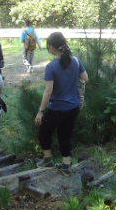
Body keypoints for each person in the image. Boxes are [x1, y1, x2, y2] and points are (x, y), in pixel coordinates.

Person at [34, 32, 89, 173]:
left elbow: (48, 91)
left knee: (43, 131)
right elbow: (85, 78)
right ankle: (66, 164)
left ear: (52, 47)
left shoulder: (51, 67)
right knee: (65, 135)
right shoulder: (76, 61)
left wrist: (40, 111)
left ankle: (48, 159)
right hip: (74, 106)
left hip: (57, 108)